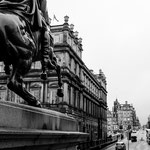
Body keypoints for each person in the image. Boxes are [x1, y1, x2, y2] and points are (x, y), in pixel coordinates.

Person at [0, 0, 52, 76]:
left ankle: (7, 64)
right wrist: (46, 22)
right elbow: (44, 10)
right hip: (21, 9)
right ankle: (45, 60)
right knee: (45, 29)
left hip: (2, 7)